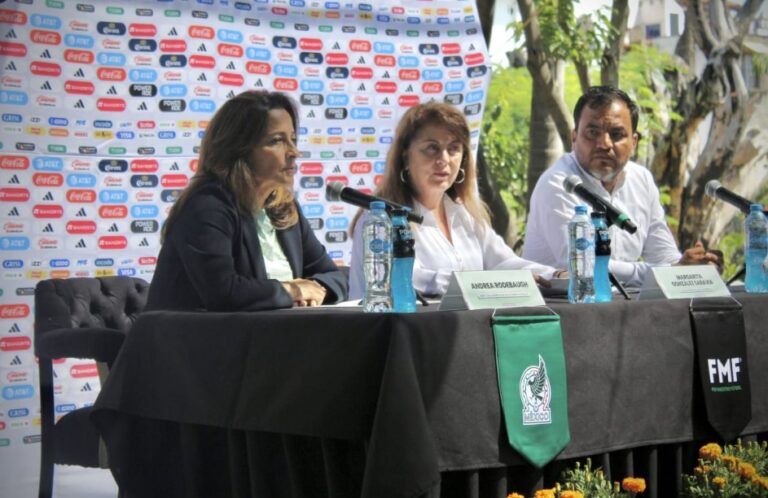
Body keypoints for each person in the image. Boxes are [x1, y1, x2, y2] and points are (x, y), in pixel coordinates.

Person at [146, 91, 347, 311]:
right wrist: (292, 290)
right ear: (239, 150)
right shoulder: (207, 206)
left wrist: (317, 290)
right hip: (195, 340)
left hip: (268, 337)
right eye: (277, 141)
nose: (294, 152)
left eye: (293, 139)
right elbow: (224, 293)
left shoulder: (283, 208)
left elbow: (334, 275)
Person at [348, 102, 562, 299]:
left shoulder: (464, 213)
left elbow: (503, 262)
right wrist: (494, 283)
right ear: (405, 156)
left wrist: (557, 276)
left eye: (453, 149)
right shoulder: (379, 218)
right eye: (432, 147)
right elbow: (410, 280)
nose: (444, 159)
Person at [523, 86, 722, 287]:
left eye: (617, 134)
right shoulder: (558, 183)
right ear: (574, 138)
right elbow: (583, 265)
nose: (604, 143)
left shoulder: (641, 179)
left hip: (625, 309)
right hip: (563, 310)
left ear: (634, 142)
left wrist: (692, 266)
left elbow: (664, 256)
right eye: (592, 132)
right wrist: (668, 272)